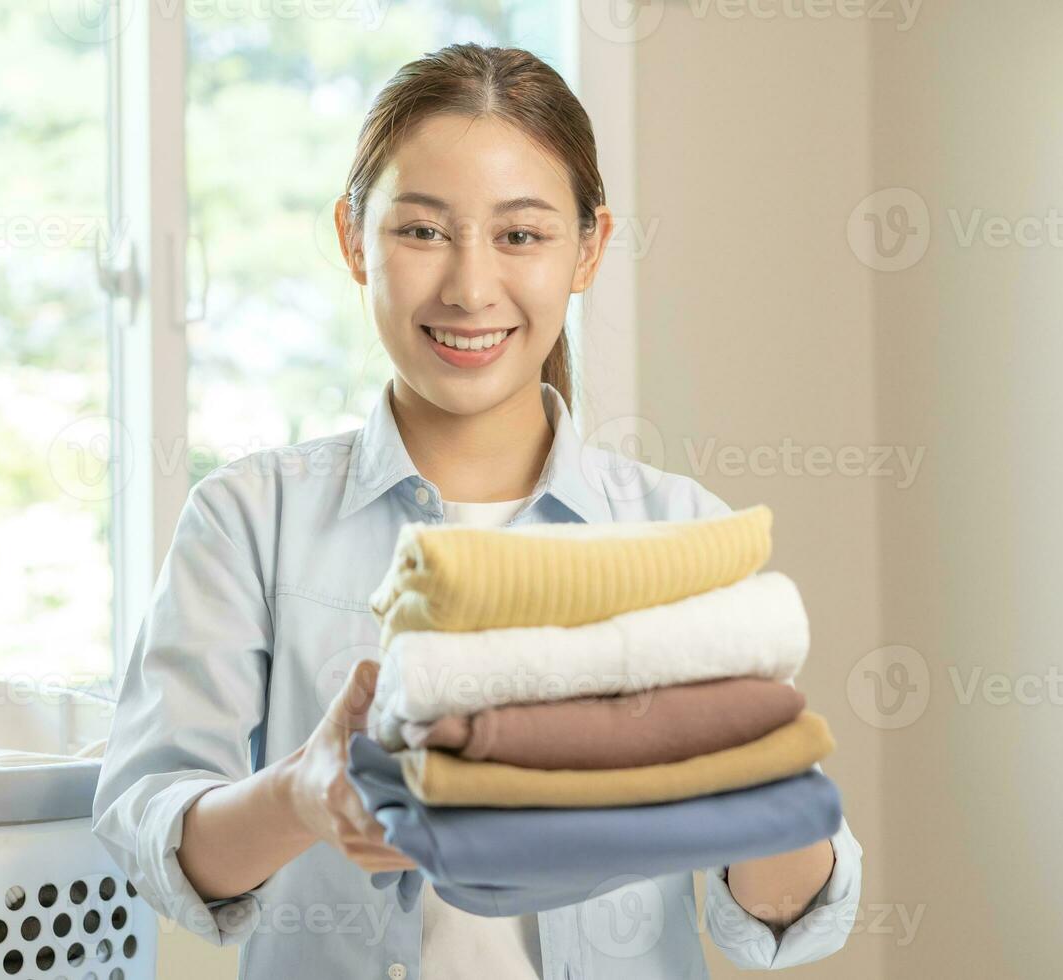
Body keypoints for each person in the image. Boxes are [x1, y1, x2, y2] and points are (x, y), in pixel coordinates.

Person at [91, 42, 862, 979]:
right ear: (351, 239)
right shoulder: (251, 521)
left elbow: (791, 912)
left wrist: (753, 784)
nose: (468, 286)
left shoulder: (678, 539)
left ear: (589, 248)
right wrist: (301, 795)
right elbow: (149, 833)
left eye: (521, 235)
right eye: (421, 231)